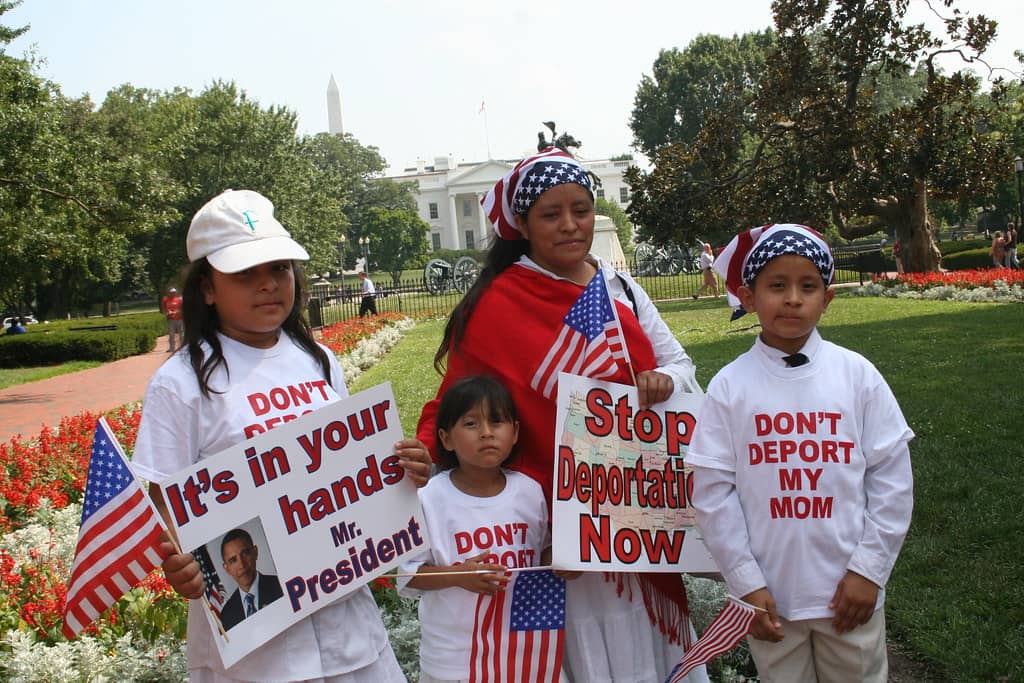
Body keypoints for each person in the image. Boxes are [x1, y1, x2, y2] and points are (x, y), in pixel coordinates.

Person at [417, 147, 707, 683]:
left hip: (635, 506)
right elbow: (458, 397)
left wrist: (667, 382)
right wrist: (421, 453)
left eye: (582, 209)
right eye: (551, 214)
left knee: (646, 650)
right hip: (554, 521)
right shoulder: (496, 304)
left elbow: (677, 364)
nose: (571, 225)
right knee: (571, 658)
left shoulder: (619, 286)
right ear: (522, 225)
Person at [131, 188, 433, 683]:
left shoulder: (317, 360)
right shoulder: (181, 381)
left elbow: (350, 469)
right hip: (257, 649)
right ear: (207, 288)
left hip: (347, 625)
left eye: (279, 268)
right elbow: (164, 501)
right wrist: (180, 562)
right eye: (244, 274)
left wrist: (402, 469)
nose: (268, 285)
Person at [688, 223, 914, 682]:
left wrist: (869, 571)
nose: (793, 298)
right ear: (748, 297)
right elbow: (713, 494)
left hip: (848, 596)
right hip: (770, 601)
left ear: (826, 299)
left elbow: (892, 478)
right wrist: (745, 582)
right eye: (777, 285)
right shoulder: (731, 386)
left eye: (807, 286)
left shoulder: (857, 376)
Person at [398, 375, 569, 682]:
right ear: (446, 438)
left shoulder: (530, 491)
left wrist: (561, 562)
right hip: (455, 661)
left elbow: (542, 551)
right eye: (471, 424)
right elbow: (407, 574)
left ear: (515, 432)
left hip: (523, 655)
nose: (487, 433)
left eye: (497, 421)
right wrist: (459, 575)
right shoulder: (429, 497)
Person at [217, 528, 284, 631]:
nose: (242, 565)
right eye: (233, 560)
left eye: (245, 553)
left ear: (255, 552)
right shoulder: (226, 616)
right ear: (227, 568)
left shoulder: (282, 586)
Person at [162, 286, 184, 352]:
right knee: (171, 334)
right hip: (171, 319)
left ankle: (182, 347)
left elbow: (183, 309)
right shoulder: (166, 300)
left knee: (181, 334)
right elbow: (164, 309)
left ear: (176, 292)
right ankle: (172, 348)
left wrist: (176, 312)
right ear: (169, 292)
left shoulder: (179, 299)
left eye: (174, 292)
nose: (173, 293)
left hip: (180, 319)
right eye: (171, 292)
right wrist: (167, 312)